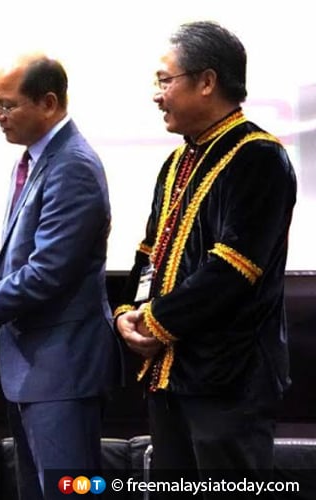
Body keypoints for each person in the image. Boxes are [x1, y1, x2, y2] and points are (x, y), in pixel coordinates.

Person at [0, 53, 121, 500]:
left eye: (7, 105)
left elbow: (46, 272)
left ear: (48, 103)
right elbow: (18, 257)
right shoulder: (32, 160)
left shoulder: (73, 166)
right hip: (35, 372)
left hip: (63, 371)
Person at [113, 21, 297, 489]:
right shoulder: (178, 161)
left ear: (207, 81)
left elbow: (233, 269)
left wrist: (154, 321)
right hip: (171, 377)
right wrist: (128, 312)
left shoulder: (258, 157)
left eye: (164, 80)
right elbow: (149, 252)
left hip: (229, 381)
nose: (157, 95)